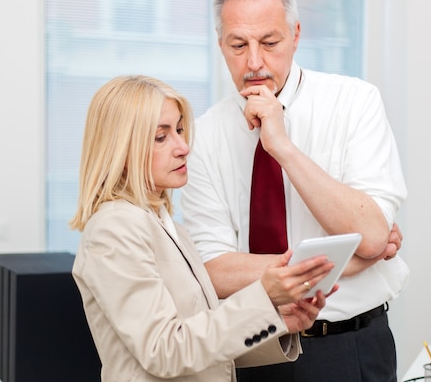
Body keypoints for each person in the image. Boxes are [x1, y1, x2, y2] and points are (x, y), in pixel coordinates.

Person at [180, 0, 409, 382]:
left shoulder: (354, 102)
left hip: (350, 345)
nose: (254, 62)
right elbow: (214, 268)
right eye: (237, 45)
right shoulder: (202, 137)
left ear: (296, 34)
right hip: (257, 346)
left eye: (269, 42)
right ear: (220, 44)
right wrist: (344, 260)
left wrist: (282, 147)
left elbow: (373, 235)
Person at [69, 75, 338, 382]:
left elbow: (201, 348)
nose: (183, 147)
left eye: (180, 130)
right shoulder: (114, 229)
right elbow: (164, 350)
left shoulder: (168, 227)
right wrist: (262, 297)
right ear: (121, 150)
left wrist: (277, 319)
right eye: (161, 137)